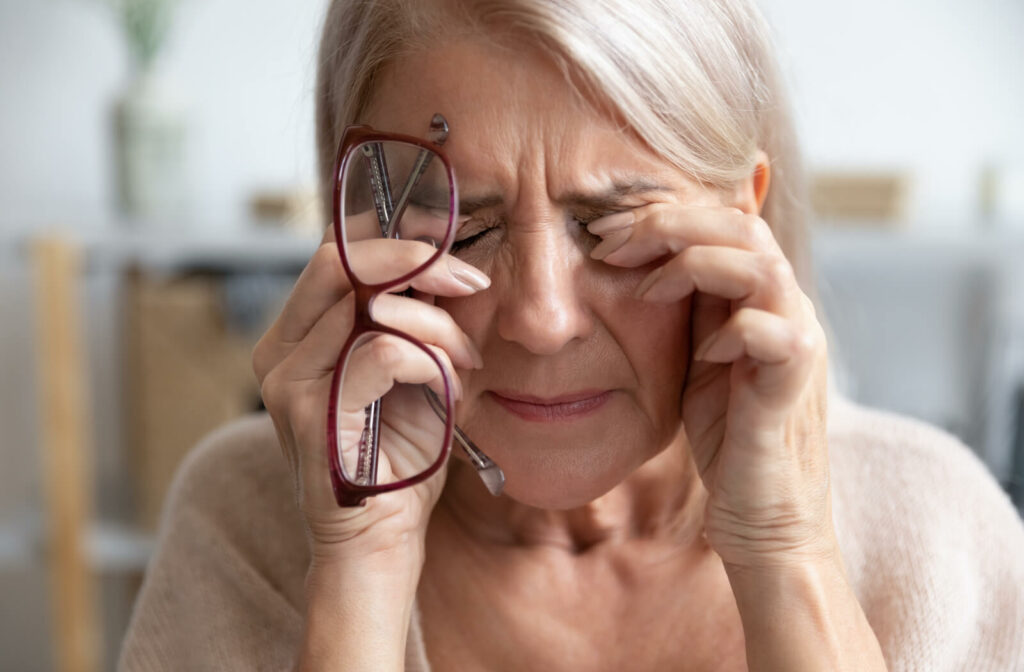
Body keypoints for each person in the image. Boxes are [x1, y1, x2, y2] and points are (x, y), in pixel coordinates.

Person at [119, 0, 1024, 670]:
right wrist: (358, 567)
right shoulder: (245, 523)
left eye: (614, 227)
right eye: (463, 229)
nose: (542, 320)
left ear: (744, 221)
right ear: (357, 231)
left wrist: (788, 549)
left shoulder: (935, 532)